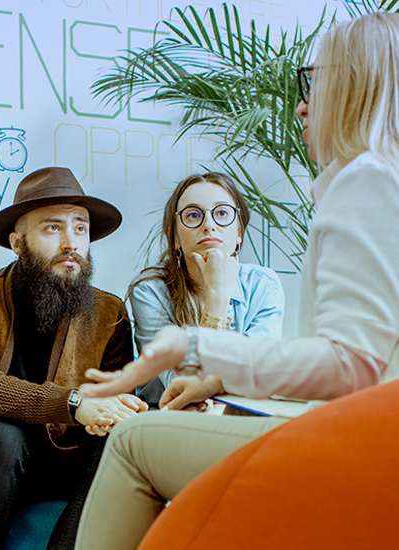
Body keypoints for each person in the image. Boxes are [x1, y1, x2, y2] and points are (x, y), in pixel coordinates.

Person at [75, 12, 399, 550]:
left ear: (354, 88)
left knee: (132, 441)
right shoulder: (381, 179)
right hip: (368, 427)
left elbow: (351, 366)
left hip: (360, 440)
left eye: (314, 83)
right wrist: (215, 376)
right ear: (174, 235)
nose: (301, 105)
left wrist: (197, 345)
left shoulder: (365, 180)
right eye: (193, 216)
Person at [0, 167, 147, 550]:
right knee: (2, 433)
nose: (71, 242)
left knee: (116, 438)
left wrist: (116, 411)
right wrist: (74, 404)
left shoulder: (108, 313)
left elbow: (116, 402)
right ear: (17, 242)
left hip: (65, 465)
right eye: (52, 228)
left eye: (80, 228)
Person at [129, 171, 284, 410]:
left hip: (241, 414)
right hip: (171, 419)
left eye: (222, 213)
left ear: (239, 233)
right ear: (175, 238)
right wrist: (217, 295)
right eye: (193, 215)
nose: (209, 225)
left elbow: (257, 375)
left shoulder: (263, 285)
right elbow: (183, 388)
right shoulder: (150, 293)